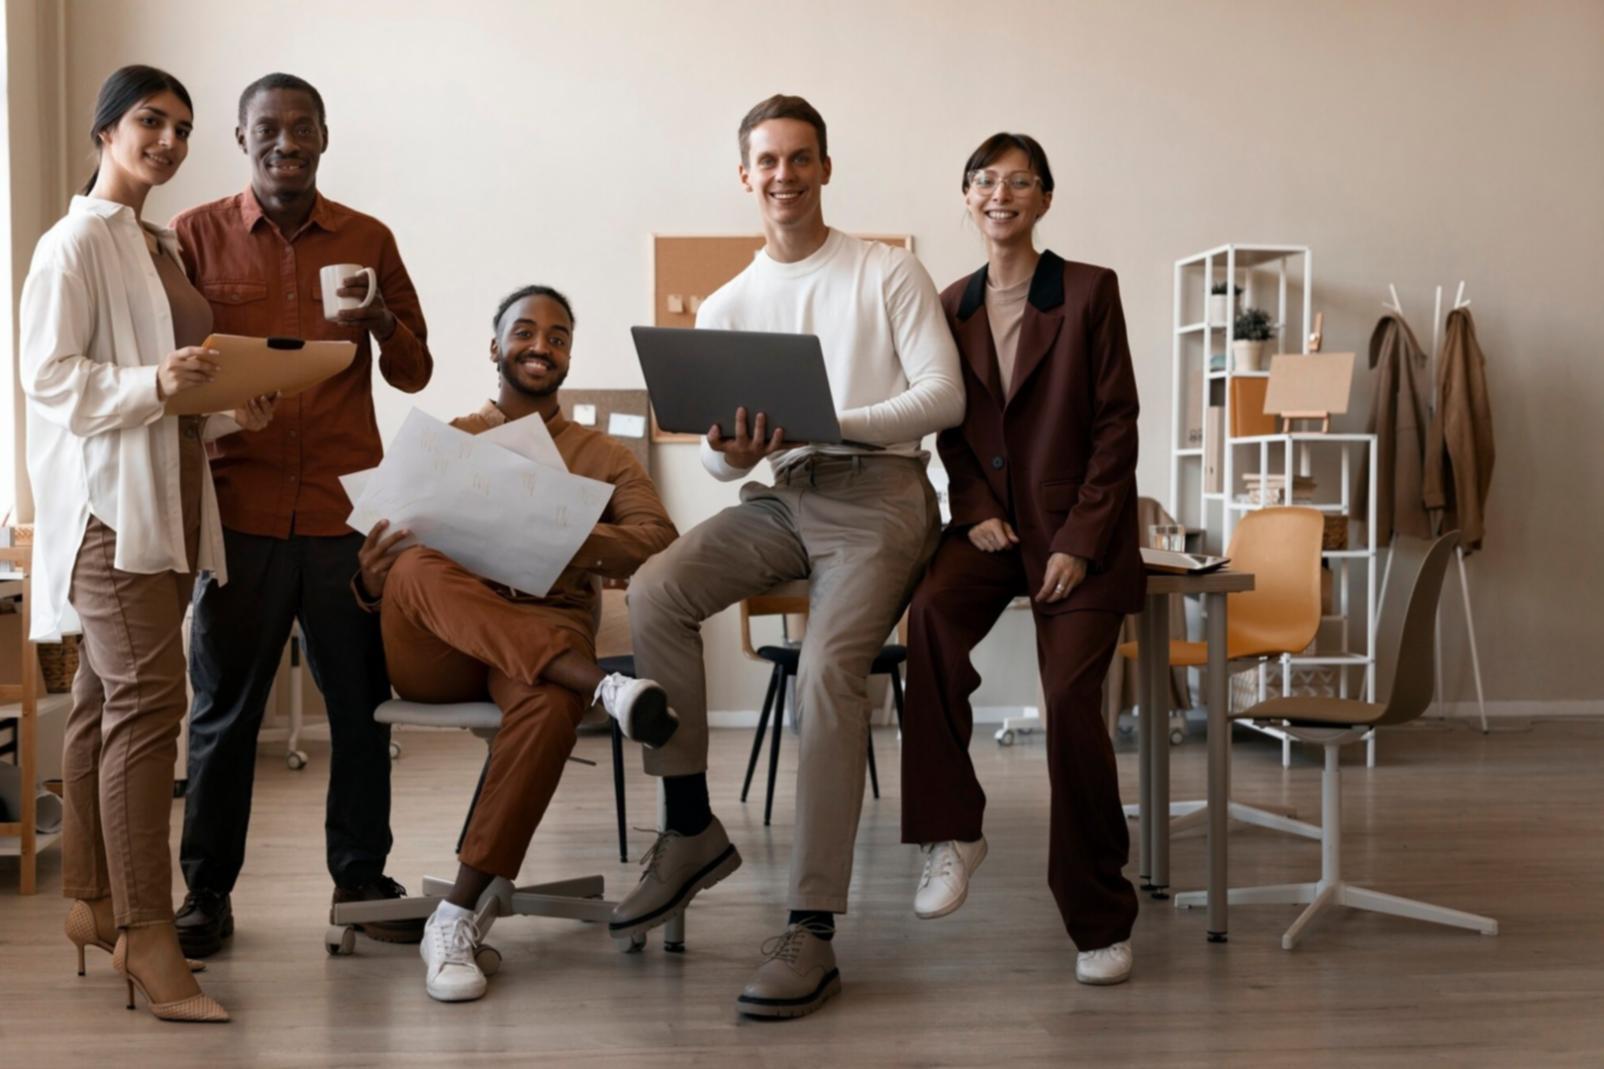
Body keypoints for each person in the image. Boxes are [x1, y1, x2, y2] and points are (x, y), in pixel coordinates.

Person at [614, 94, 965, 1019]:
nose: (784, 175)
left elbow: (943, 397)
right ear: (745, 175)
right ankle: (688, 828)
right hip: (783, 492)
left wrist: (828, 418)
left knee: (825, 670)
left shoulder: (887, 271)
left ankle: (811, 924)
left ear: (825, 167)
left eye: (801, 158)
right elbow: (715, 455)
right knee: (658, 589)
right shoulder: (729, 301)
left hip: (881, 493)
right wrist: (735, 445)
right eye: (767, 160)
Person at [21, 64, 278, 1023]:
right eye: (149, 121)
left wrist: (223, 415)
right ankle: (145, 930)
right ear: (104, 130)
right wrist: (158, 390)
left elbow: (166, 394)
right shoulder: (71, 245)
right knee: (149, 705)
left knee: (100, 700)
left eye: (181, 127)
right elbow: (50, 378)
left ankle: (88, 897)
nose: (168, 141)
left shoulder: (158, 241)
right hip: (109, 516)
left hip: (170, 498)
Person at [350, 285, 679, 1002]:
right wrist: (371, 581)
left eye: (558, 336)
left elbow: (658, 540)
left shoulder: (605, 454)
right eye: (525, 331)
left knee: (547, 702)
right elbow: (389, 563)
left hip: (545, 623)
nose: (541, 345)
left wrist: (559, 534)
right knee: (409, 562)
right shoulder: (448, 440)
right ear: (494, 347)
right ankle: (601, 684)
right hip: (441, 643)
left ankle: (457, 914)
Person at [170, 72, 434, 957]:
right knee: (224, 712)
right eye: (268, 129)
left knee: (362, 706)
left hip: (343, 514)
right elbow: (170, 369)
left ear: (326, 136)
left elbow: (415, 372)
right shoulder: (194, 237)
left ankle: (360, 881)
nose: (286, 142)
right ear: (242, 139)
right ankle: (206, 891)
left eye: (303, 128)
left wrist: (384, 319)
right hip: (236, 510)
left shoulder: (369, 237)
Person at [898, 133, 1144, 986]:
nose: (1002, 194)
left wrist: (1079, 538)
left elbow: (1117, 426)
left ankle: (1099, 916)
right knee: (928, 618)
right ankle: (953, 828)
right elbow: (949, 427)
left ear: (1044, 200)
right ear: (965, 196)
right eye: (986, 181)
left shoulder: (1087, 291)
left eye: (1021, 182)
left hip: (1080, 533)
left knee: (1073, 706)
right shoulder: (950, 300)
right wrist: (974, 511)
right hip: (993, 529)